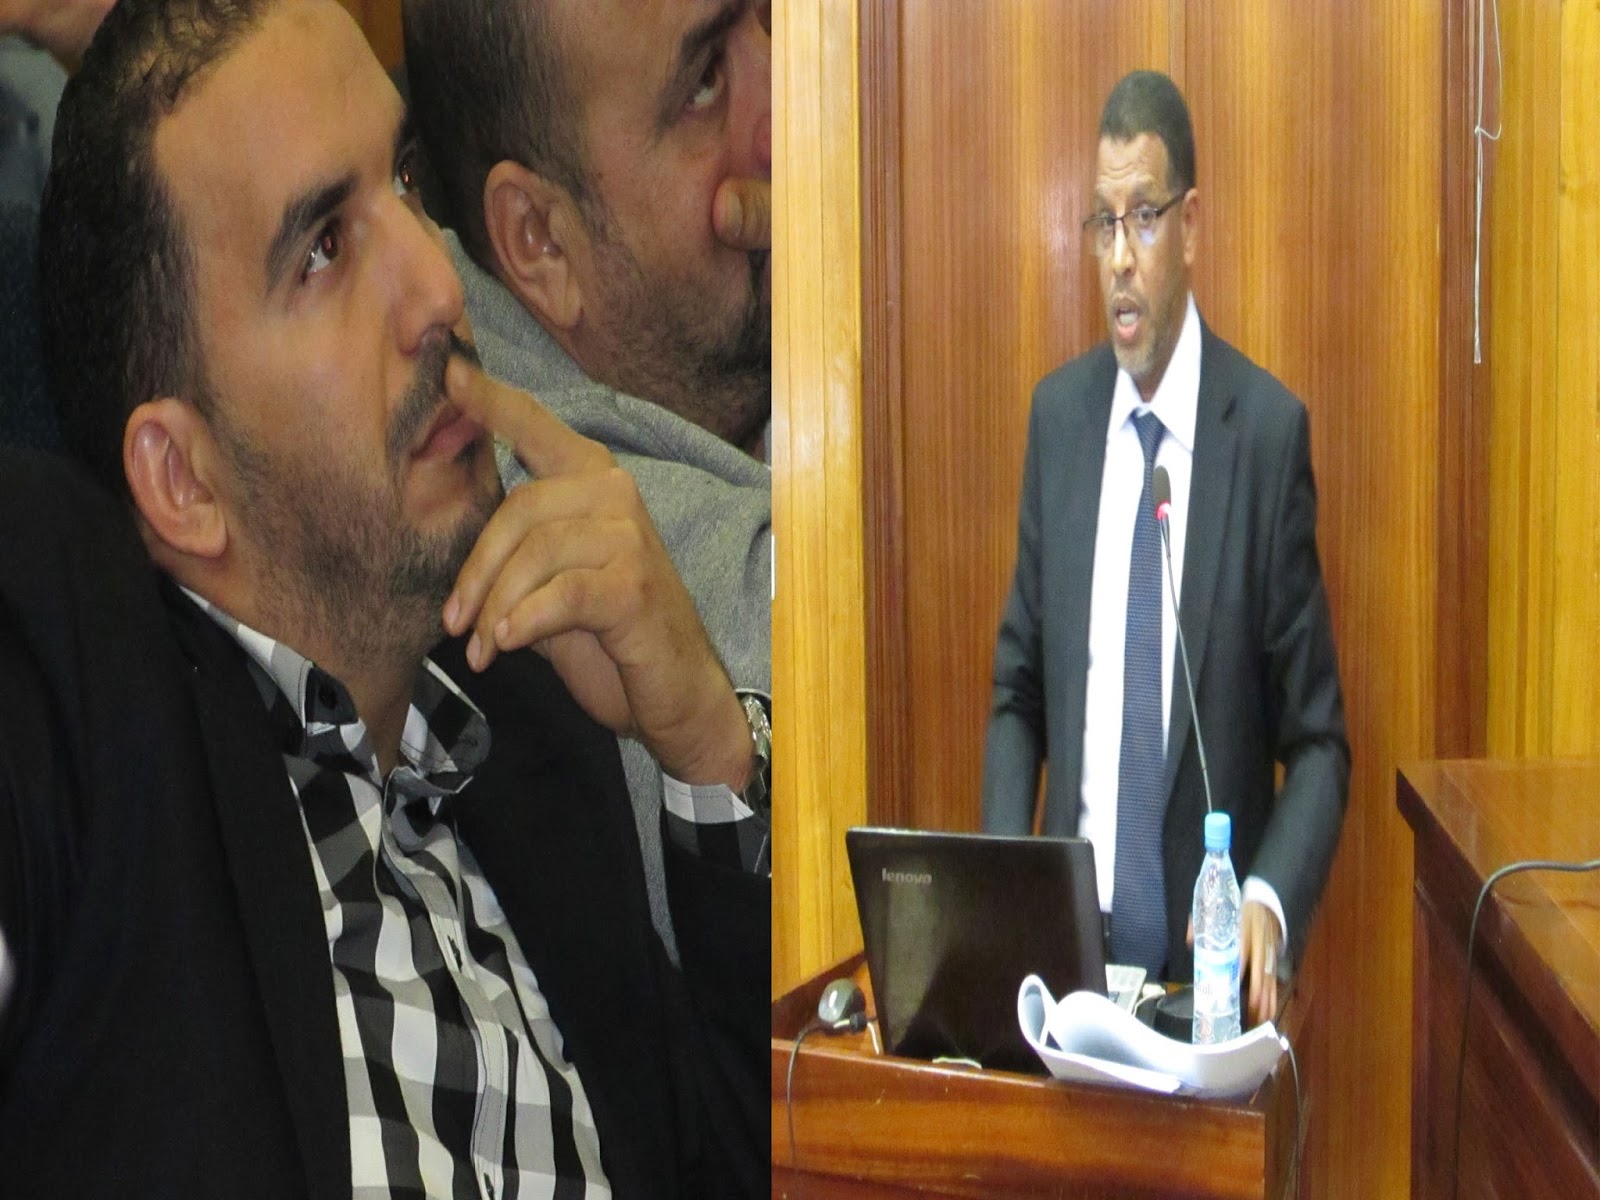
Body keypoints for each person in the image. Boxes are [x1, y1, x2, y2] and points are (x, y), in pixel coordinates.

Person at [0, 0, 765, 1194]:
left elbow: (759, 1164)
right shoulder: (92, 701)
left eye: (405, 184)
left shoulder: (536, 741)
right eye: (322, 250)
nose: (435, 289)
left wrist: (707, 747)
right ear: (183, 481)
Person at [402, 0, 772, 958]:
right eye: (705, 83)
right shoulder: (517, 493)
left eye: (773, 19)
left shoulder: (688, 353)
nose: (791, 111)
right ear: (540, 241)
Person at [983, 70, 1349, 1027]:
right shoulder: (1060, 423)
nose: (1119, 259)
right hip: (1066, 967)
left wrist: (1267, 897)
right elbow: (1017, 694)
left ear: (1190, 226)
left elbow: (1318, 743)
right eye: (1102, 225)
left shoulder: (1264, 437)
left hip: (1206, 985)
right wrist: (1005, 885)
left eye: (1143, 220)